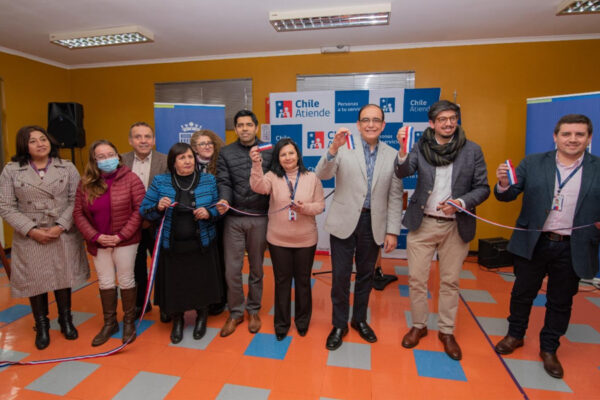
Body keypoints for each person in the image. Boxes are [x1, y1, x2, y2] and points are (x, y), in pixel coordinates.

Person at [493, 114, 600, 379]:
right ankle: (515, 334)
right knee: (522, 293)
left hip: (572, 246)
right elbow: (508, 195)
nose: (572, 139)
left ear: (589, 138)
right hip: (534, 242)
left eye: (579, 134)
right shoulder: (532, 163)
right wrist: (504, 184)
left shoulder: (597, 168)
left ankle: (549, 348)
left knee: (560, 301)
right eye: (566, 134)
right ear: (555, 137)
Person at [395, 100, 490, 360]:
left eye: (452, 118)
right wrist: (402, 150)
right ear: (432, 123)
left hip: (456, 226)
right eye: (442, 119)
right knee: (416, 279)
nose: (448, 123)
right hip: (423, 223)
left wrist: (461, 203)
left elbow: (483, 188)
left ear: (457, 120)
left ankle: (447, 331)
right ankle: (419, 325)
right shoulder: (420, 146)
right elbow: (403, 171)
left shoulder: (472, 150)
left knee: (450, 281)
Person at [315, 104, 404, 351]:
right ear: (358, 124)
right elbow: (322, 174)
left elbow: (395, 195)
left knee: (366, 276)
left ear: (383, 125)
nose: (371, 124)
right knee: (340, 277)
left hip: (373, 223)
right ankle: (339, 324)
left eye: (376, 120)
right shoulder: (343, 148)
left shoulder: (392, 154)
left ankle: (359, 320)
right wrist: (333, 148)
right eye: (366, 120)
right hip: (344, 221)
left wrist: (392, 230)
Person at [0, 126, 89, 350]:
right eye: (33, 141)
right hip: (30, 234)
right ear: (24, 145)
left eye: (43, 139)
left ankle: (66, 319)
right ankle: (41, 325)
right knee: (36, 280)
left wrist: (60, 226)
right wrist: (31, 230)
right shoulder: (12, 170)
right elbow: (6, 206)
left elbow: (77, 199)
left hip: (62, 231)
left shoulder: (66, 167)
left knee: (63, 277)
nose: (40, 144)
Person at [140, 142, 223, 343]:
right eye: (182, 158)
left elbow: (219, 209)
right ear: (173, 162)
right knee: (176, 284)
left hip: (201, 244)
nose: (188, 161)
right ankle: (177, 320)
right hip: (172, 246)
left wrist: (209, 212)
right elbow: (144, 210)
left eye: (190, 157)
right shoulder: (160, 181)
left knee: (201, 282)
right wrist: (158, 207)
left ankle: (202, 317)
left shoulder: (208, 180)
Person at [249, 138, 325, 340]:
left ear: (298, 155)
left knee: (303, 282)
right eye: (283, 154)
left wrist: (304, 208)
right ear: (278, 158)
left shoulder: (312, 178)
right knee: (282, 282)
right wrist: (256, 164)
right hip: (278, 240)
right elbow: (258, 187)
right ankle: (281, 324)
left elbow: (320, 206)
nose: (288, 157)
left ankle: (302, 322)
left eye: (291, 153)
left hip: (305, 240)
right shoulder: (272, 177)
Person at [73, 140, 145, 346]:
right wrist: (95, 236)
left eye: (110, 155)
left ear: (118, 156)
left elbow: (139, 209)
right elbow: (78, 213)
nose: (107, 159)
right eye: (101, 157)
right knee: (105, 282)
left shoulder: (131, 178)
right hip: (99, 242)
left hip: (125, 241)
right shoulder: (86, 182)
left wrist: (121, 236)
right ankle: (110, 322)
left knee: (126, 279)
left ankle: (129, 322)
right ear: (94, 160)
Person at [216, 110, 273, 337]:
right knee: (232, 269)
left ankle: (254, 310)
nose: (245, 129)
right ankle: (236, 312)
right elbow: (224, 181)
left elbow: (274, 180)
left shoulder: (269, 150)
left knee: (257, 268)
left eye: (249, 124)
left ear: (256, 127)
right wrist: (224, 200)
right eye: (240, 125)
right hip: (234, 218)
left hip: (260, 217)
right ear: (236, 129)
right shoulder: (226, 152)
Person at [121, 122, 168, 319]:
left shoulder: (165, 161)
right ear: (130, 140)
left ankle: (166, 306)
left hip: (158, 223)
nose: (143, 141)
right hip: (130, 225)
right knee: (136, 266)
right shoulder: (120, 161)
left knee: (163, 266)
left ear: (154, 140)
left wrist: (150, 216)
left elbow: (169, 191)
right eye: (138, 137)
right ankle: (141, 304)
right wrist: (136, 220)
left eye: (147, 136)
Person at [190, 129, 228, 316]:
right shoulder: (188, 165)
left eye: (209, 143)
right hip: (196, 221)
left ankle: (220, 299)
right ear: (194, 148)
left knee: (219, 260)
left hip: (219, 219)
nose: (206, 147)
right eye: (202, 144)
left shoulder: (222, 164)